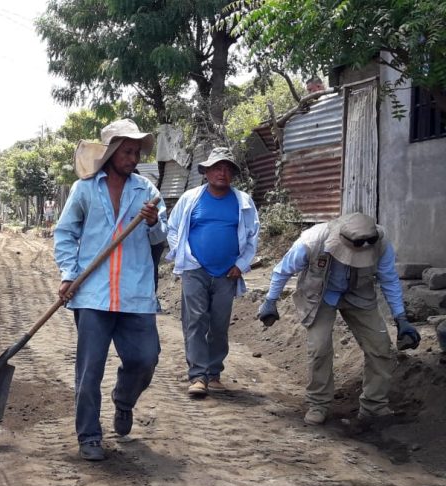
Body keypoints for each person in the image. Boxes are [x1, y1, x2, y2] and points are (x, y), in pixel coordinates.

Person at [55, 118, 168, 461]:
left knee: (145, 358)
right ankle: (89, 435)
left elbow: (161, 240)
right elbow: (65, 233)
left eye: (137, 152)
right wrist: (67, 274)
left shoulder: (147, 191)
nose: (133, 157)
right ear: (112, 152)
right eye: (128, 151)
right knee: (90, 370)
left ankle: (124, 400)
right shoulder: (85, 189)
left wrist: (153, 223)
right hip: (92, 293)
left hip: (135, 292)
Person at [257, 212, 421, 428]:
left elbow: (389, 279)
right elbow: (281, 271)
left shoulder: (380, 244)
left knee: (381, 347)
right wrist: (270, 301)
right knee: (319, 348)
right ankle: (318, 404)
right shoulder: (312, 241)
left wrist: (401, 319)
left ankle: (374, 406)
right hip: (319, 295)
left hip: (358, 293)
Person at [166, 147, 260, 398]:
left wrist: (241, 265)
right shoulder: (190, 199)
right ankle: (198, 376)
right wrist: (185, 255)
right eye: (217, 168)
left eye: (228, 169)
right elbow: (173, 230)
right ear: (206, 171)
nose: (222, 173)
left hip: (227, 274)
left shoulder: (243, 202)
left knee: (218, 324)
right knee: (195, 321)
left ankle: (214, 372)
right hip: (194, 270)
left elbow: (252, 237)